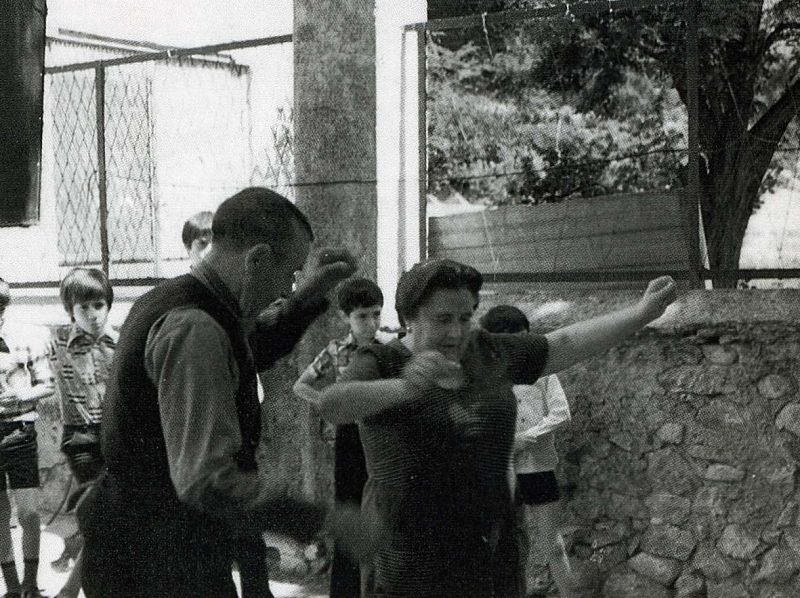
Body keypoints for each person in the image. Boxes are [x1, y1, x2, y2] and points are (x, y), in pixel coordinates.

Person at [317, 258, 677, 597]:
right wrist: (405, 388)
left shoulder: (486, 352)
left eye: (465, 316)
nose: (457, 332)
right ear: (410, 317)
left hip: (492, 551)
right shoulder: (383, 360)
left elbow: (562, 344)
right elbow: (333, 403)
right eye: (443, 319)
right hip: (411, 559)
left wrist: (642, 313)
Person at [79, 187, 374, 597]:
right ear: (256, 259)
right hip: (158, 566)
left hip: (151, 551)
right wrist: (324, 518)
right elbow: (207, 481)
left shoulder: (180, 299)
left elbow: (250, 348)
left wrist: (312, 291)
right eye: (290, 274)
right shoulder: (194, 328)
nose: (288, 289)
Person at [182, 210, 274, 598]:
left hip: (239, 433)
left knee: (250, 539)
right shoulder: (189, 307)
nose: (207, 250)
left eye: (212, 242)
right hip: (209, 443)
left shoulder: (233, 301)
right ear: (189, 249)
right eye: (200, 243)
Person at [293, 277, 383, 598]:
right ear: (346, 317)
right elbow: (300, 385)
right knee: (349, 508)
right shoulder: (335, 350)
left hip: (381, 436)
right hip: (349, 436)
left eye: (376, 314)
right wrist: (329, 404)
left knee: (380, 507)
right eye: (362, 316)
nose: (370, 323)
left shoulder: (388, 350)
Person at [480, 305, 578, 597]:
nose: (519, 348)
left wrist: (528, 436)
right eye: (510, 341)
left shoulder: (543, 374)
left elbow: (561, 413)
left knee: (554, 544)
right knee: (502, 543)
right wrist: (508, 442)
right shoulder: (484, 380)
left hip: (538, 468)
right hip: (502, 471)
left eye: (524, 339)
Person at [44, 268, 117, 598]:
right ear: (70, 311)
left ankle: (77, 560)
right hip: (82, 440)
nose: (93, 315)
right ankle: (73, 588)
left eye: (98, 305)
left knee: (110, 518)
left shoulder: (122, 341)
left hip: (117, 437)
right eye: (83, 308)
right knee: (102, 518)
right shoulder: (58, 341)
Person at [0, 277, 54, 598]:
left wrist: (21, 396)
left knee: (30, 511)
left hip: (20, 431)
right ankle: (12, 587)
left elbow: (46, 384)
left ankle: (32, 584)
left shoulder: (27, 338)